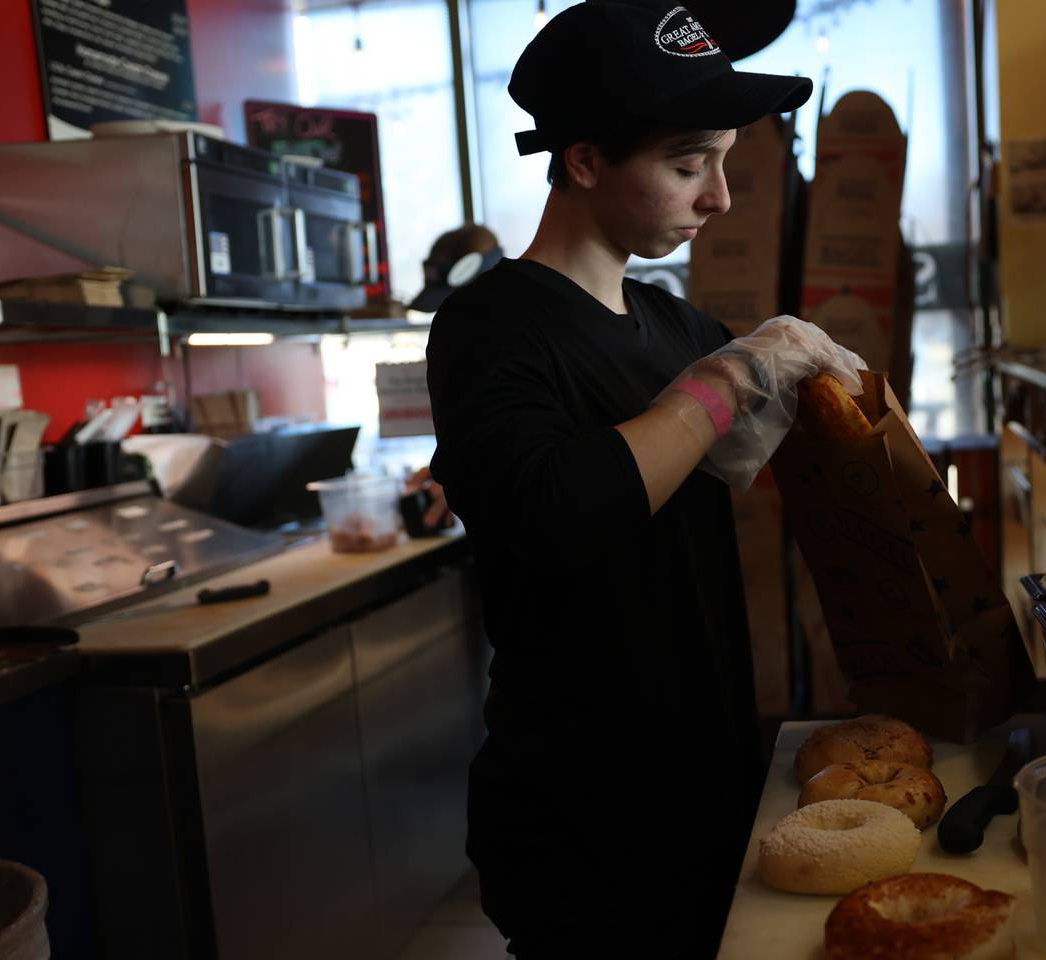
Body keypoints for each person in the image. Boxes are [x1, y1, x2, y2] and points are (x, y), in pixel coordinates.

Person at [426, 2, 863, 956]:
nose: (720, 198)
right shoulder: (494, 324)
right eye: (686, 164)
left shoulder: (677, 327)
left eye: (721, 161)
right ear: (585, 160)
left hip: (703, 783)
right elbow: (557, 511)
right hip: (585, 819)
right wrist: (733, 378)